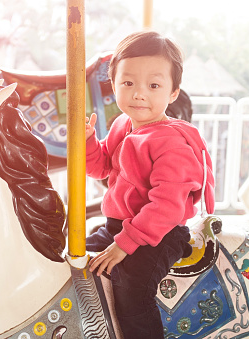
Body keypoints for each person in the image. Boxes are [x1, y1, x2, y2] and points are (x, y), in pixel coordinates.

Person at [84, 31, 215, 339]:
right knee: (72, 262)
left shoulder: (172, 143)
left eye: (153, 85)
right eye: (127, 83)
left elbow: (166, 205)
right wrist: (88, 142)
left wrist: (125, 244)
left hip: (158, 234)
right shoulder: (122, 125)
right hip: (117, 226)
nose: (139, 93)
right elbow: (100, 166)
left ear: (173, 92)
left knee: (132, 288)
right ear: (114, 85)